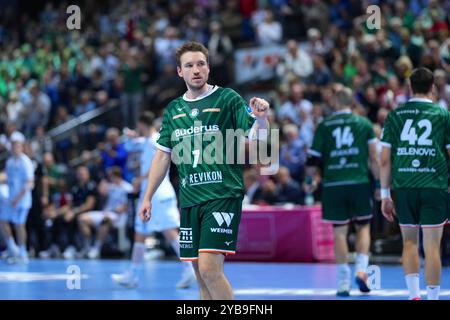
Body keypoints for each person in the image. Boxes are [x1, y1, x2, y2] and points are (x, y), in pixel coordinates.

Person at [139, 41, 270, 300]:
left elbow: (256, 143)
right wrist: (147, 195)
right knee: (200, 274)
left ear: (208, 68)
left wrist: (262, 118)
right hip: (189, 199)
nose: (196, 69)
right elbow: (162, 155)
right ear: (180, 72)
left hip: (221, 194)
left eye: (200, 64)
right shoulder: (174, 110)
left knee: (210, 269)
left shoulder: (227, 98)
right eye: (189, 65)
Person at [380, 67, 450, 300]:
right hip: (434, 185)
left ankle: (413, 296)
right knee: (432, 247)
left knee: (409, 243)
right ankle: (433, 297)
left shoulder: (395, 115)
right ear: (432, 87)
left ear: (410, 87)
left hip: (405, 186)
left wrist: (384, 194)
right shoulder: (443, 115)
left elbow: (384, 159)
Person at [306, 87, 380, 296]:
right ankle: (361, 270)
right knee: (363, 226)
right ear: (352, 104)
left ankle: (343, 283)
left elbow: (312, 159)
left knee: (340, 231)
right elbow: (373, 158)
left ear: (336, 103)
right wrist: (378, 186)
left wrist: (309, 180)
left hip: (333, 184)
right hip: (359, 182)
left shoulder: (324, 125)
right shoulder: (364, 124)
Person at [111, 112, 196, 289]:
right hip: (150, 194)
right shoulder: (150, 139)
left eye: (138, 126)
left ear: (142, 124)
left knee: (169, 232)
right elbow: (139, 144)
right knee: (140, 232)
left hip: (157, 194)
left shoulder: (154, 141)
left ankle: (190, 268)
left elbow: (159, 166)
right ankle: (132, 274)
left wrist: (139, 179)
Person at [78, 166, 133, 259]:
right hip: (106, 212)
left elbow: (128, 206)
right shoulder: (110, 186)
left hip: (119, 215)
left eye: (110, 176)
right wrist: (103, 183)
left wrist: (116, 210)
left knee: (105, 220)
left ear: (116, 176)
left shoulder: (127, 187)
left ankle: (97, 248)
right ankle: (87, 247)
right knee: (81, 218)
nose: (109, 178)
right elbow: (101, 192)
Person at [0, 134, 35, 263]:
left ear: (22, 147)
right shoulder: (9, 162)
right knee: (2, 220)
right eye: (13, 145)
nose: (15, 148)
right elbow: (7, 179)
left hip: (23, 200)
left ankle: (22, 252)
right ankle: (12, 248)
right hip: (11, 198)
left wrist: (18, 198)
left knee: (19, 224)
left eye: (18, 145)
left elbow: (30, 183)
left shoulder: (26, 162)